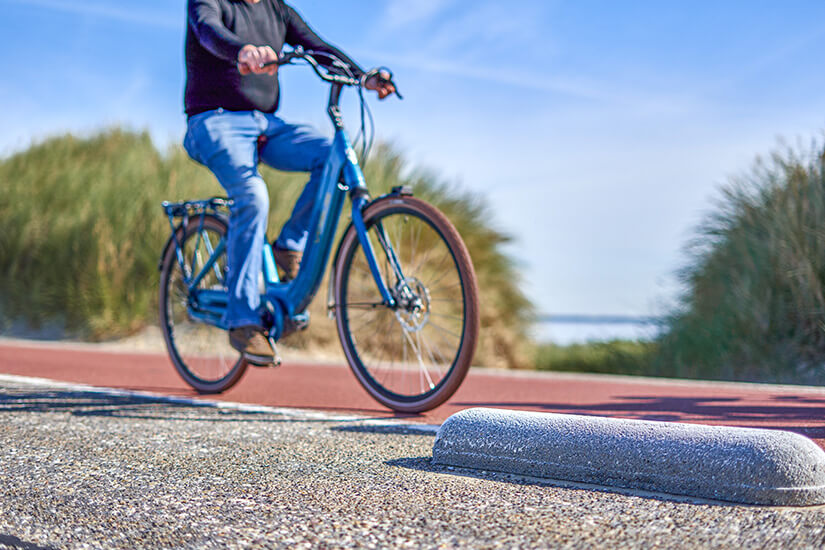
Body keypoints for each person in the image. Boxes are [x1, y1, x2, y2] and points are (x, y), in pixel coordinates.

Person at [184, 0, 395, 365]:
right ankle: (243, 319)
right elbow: (208, 30)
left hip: (265, 122)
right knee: (253, 195)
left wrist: (363, 77)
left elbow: (317, 46)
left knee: (331, 155)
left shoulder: (276, 9)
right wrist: (241, 51)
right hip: (214, 121)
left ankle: (289, 247)